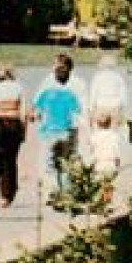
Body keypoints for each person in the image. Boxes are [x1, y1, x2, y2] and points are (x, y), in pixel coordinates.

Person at [30, 55, 85, 199]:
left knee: (62, 160)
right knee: (53, 160)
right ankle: (57, 192)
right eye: (55, 66)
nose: (57, 69)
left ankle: (63, 191)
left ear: (69, 68)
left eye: (61, 66)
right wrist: (35, 114)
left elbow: (82, 108)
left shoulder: (76, 84)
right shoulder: (48, 82)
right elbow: (37, 104)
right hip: (53, 129)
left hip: (67, 129)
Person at [0, 63, 27, 208]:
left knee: (1, 159)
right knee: (11, 159)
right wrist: (24, 131)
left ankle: (7, 191)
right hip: (14, 125)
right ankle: (9, 189)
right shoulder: (19, 87)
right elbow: (24, 111)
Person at [87, 52, 132, 141]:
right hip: (115, 108)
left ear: (101, 65)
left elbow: (92, 96)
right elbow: (123, 97)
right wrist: (123, 112)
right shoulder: (119, 77)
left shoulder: (97, 77)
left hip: (100, 108)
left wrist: (90, 112)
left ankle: (101, 153)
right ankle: (111, 152)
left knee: (99, 135)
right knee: (113, 135)